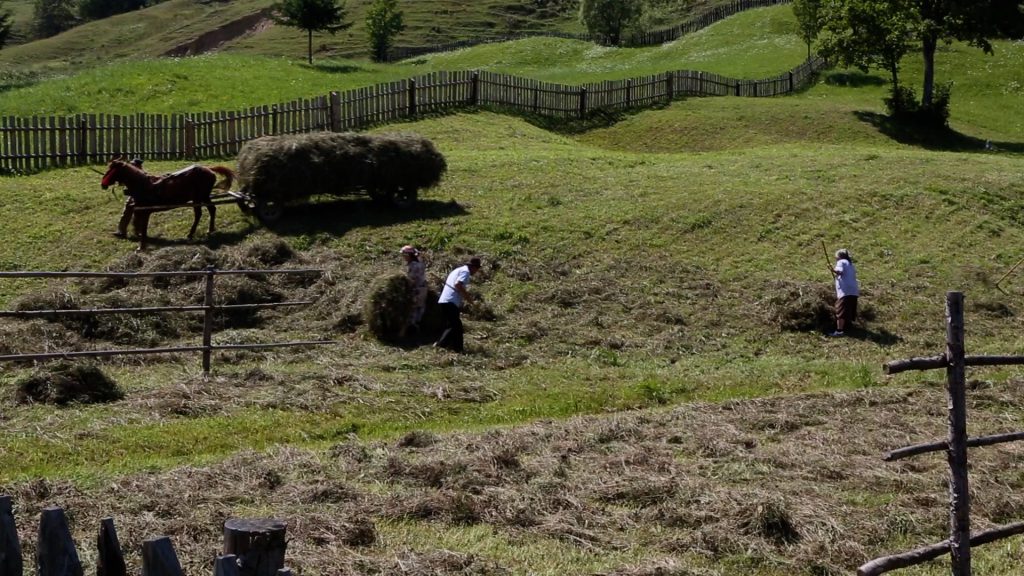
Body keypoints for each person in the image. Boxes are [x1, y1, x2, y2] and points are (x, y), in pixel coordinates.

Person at [435, 256, 482, 352]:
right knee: (455, 325)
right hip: (451, 301)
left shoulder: (458, 270)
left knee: (453, 325)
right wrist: (467, 297)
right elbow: (458, 285)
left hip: (445, 300)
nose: (476, 272)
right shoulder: (466, 272)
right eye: (476, 269)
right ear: (473, 267)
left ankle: (452, 347)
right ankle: (444, 346)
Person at [114, 157, 146, 238]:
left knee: (139, 216)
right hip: (133, 197)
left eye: (133, 165)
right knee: (126, 213)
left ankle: (138, 232)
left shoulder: (142, 175)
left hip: (140, 198)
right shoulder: (131, 174)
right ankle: (121, 231)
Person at [830, 248, 859, 336]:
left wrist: (832, 269)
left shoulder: (841, 262)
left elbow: (840, 271)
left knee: (841, 310)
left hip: (845, 291)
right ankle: (848, 327)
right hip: (854, 290)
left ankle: (839, 331)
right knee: (849, 309)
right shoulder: (850, 264)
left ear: (839, 256)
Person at [400, 245, 428, 334]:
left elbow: (410, 279)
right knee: (419, 309)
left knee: (413, 310)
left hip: (416, 290)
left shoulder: (413, 265)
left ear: (408, 255)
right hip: (422, 288)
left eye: (404, 255)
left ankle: (411, 330)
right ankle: (416, 328)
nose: (403, 257)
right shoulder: (420, 263)